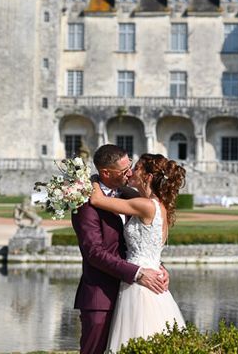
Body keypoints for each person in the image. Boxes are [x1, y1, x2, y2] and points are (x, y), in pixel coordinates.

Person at [71, 145, 169, 354]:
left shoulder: (130, 195)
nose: (131, 173)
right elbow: (94, 253)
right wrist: (137, 273)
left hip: (136, 293)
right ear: (106, 173)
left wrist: (158, 266)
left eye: (131, 167)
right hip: (102, 295)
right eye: (125, 171)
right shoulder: (85, 203)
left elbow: (141, 241)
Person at [89, 153, 186, 353]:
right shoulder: (158, 205)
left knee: (137, 337)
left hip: (140, 283)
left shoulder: (145, 205)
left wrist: (93, 178)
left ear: (148, 176)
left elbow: (97, 200)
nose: (131, 172)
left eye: (138, 168)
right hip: (152, 276)